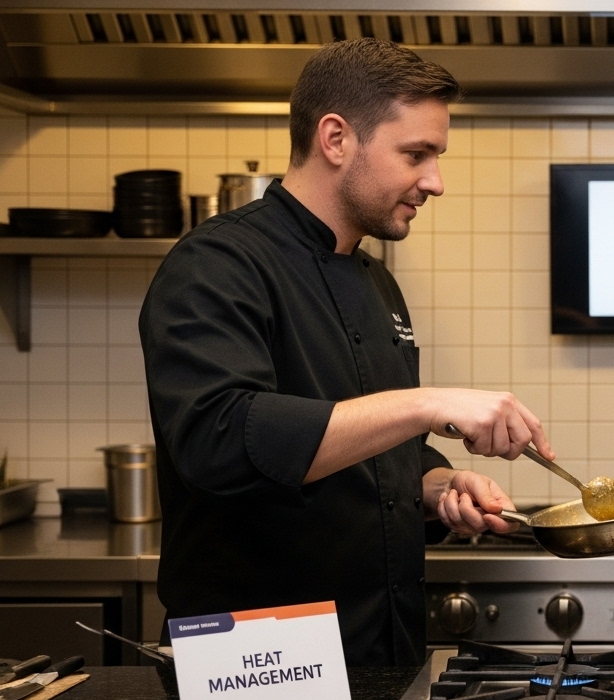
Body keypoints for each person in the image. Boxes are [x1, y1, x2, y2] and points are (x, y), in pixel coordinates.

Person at [139, 38, 551, 666]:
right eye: (415, 154)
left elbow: (379, 455)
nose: (435, 182)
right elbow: (218, 439)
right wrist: (427, 403)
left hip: (382, 654)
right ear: (335, 139)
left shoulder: (376, 281)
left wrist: (438, 485)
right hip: (259, 668)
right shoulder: (217, 264)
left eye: (436, 157)